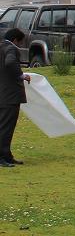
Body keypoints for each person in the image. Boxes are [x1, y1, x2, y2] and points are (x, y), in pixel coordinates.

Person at [1, 28, 32, 167]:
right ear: (14, 40)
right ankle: (2, 157)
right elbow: (10, 62)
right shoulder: (11, 49)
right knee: (6, 128)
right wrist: (21, 75)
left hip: (2, 94)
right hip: (9, 96)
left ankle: (7, 155)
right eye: (20, 43)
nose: (20, 46)